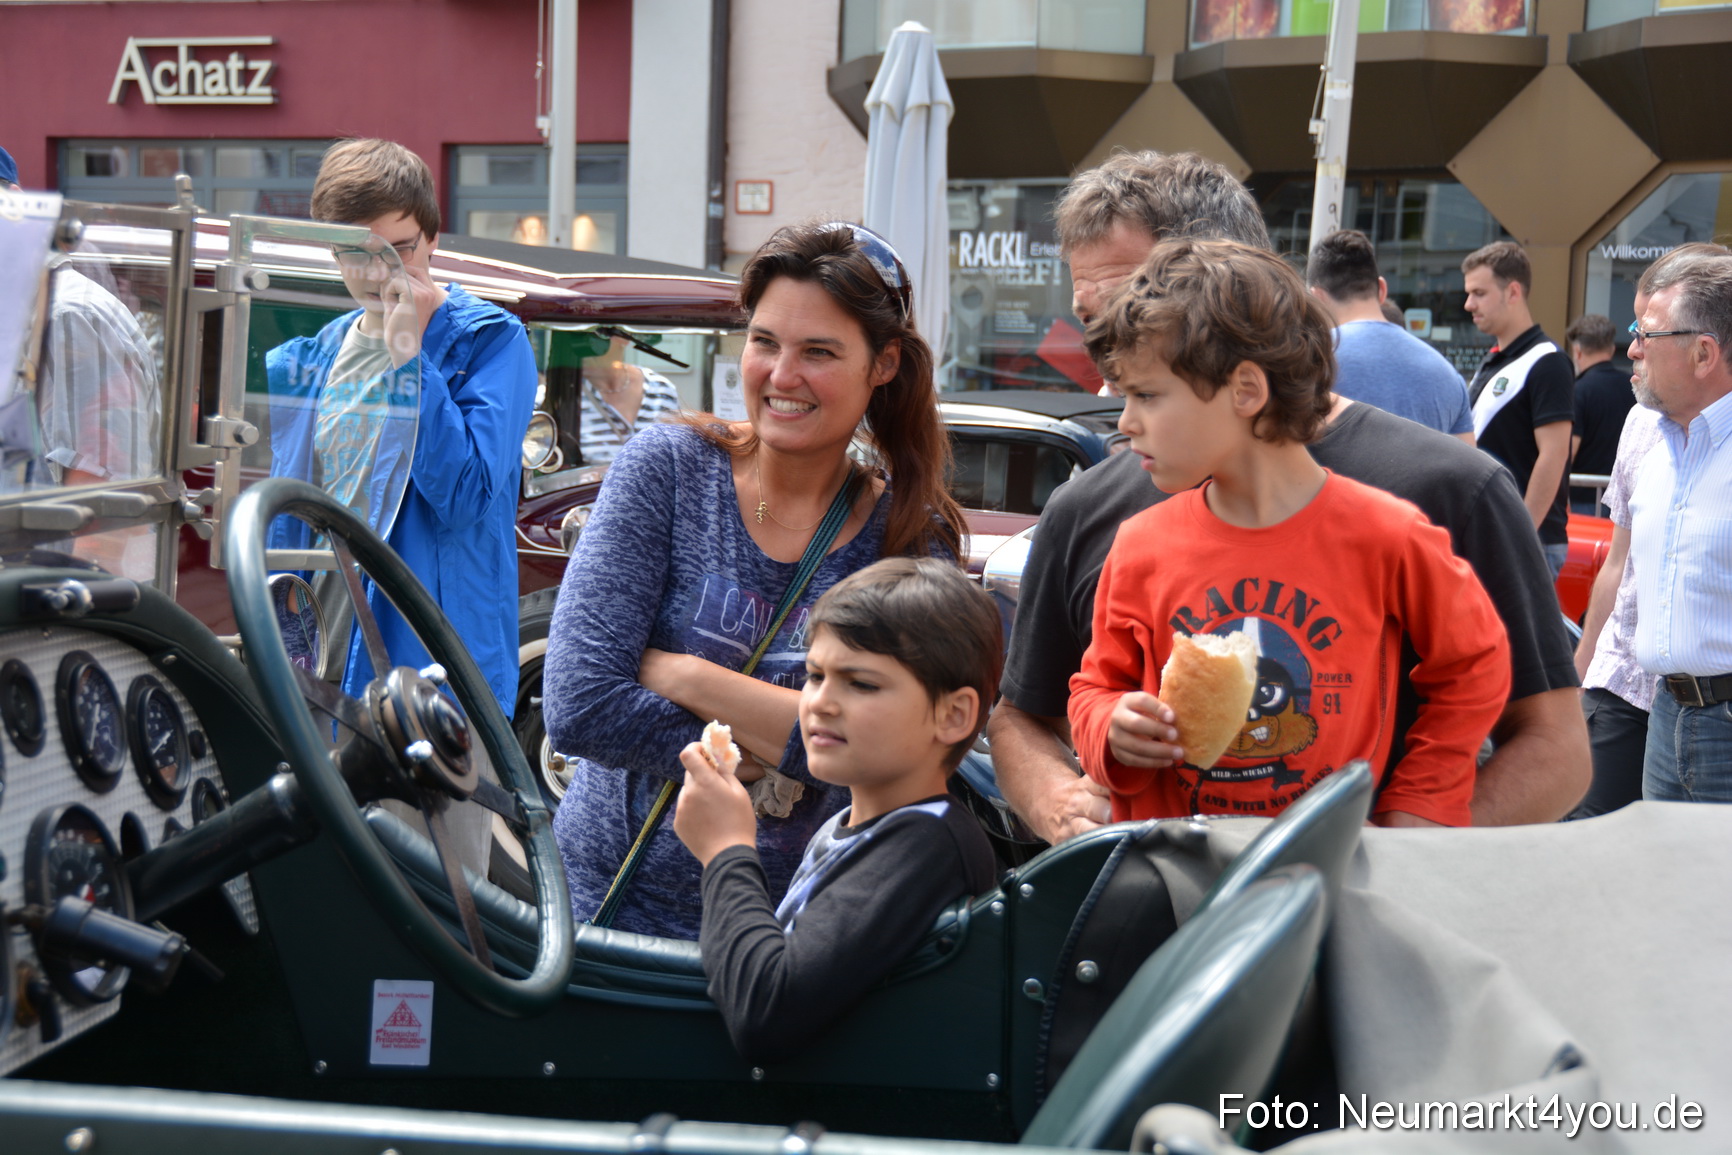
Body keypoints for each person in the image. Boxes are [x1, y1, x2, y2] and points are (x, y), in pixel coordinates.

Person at [988, 151, 1586, 846]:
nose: (1109, 374)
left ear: (1237, 296)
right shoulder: (1096, 511)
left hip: (1356, 924)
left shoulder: (1446, 493)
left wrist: (1398, 849)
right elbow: (1027, 715)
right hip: (1165, 910)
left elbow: (1555, 749)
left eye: (1133, 312)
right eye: (1095, 322)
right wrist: (1067, 800)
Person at [543, 221, 967, 939]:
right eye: (765, 341)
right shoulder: (668, 469)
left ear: (884, 363)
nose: (781, 375)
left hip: (794, 941)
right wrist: (793, 740)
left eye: (820, 352)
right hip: (608, 913)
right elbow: (580, 704)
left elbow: (899, 756)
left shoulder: (910, 538)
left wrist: (678, 672)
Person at [1067, 238, 1509, 825]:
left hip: (1327, 880)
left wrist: (1422, 801)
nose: (1125, 422)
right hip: (1170, 879)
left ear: (1246, 390)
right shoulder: (1140, 543)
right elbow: (1095, 687)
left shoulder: (1387, 535)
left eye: (1146, 395)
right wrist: (1112, 729)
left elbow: (1475, 663)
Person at [673, 557, 997, 1061]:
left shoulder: (928, 846)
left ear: (953, 715)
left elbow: (768, 1012)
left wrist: (726, 851)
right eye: (815, 675)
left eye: (861, 683)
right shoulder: (855, 824)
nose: (820, 702)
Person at [265, 138, 536, 716]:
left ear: (434, 238)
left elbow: (466, 499)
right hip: (323, 616)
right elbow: (290, 519)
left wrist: (409, 353)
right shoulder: (311, 357)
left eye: (399, 249)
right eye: (354, 251)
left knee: (425, 806)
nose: (376, 271)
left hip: (429, 641)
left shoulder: (490, 341)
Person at [1625, 248, 1732, 803]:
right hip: (1664, 714)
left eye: (1647, 334)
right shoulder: (1659, 444)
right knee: (1667, 888)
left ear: (1703, 353)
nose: (1633, 348)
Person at [1463, 241, 1575, 581]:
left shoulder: (1548, 361)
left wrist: (1520, 534)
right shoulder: (1495, 359)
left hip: (1525, 540)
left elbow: (1554, 454)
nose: (1469, 304)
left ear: (1512, 292)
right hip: (1493, 536)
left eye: (1479, 293)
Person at [1306, 229, 1473, 443]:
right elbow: (1469, 469)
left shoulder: (1308, 361)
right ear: (1382, 290)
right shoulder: (1448, 375)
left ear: (1317, 297)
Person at [1565, 312, 1635, 516]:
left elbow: (1568, 452)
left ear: (1577, 351)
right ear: (1612, 350)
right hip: (1625, 502)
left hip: (1583, 502)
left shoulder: (1577, 391)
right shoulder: (1633, 387)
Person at [576, 334, 683, 465]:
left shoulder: (661, 389)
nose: (582, 343)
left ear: (624, 337)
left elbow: (677, 459)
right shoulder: (564, 396)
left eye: (600, 332)